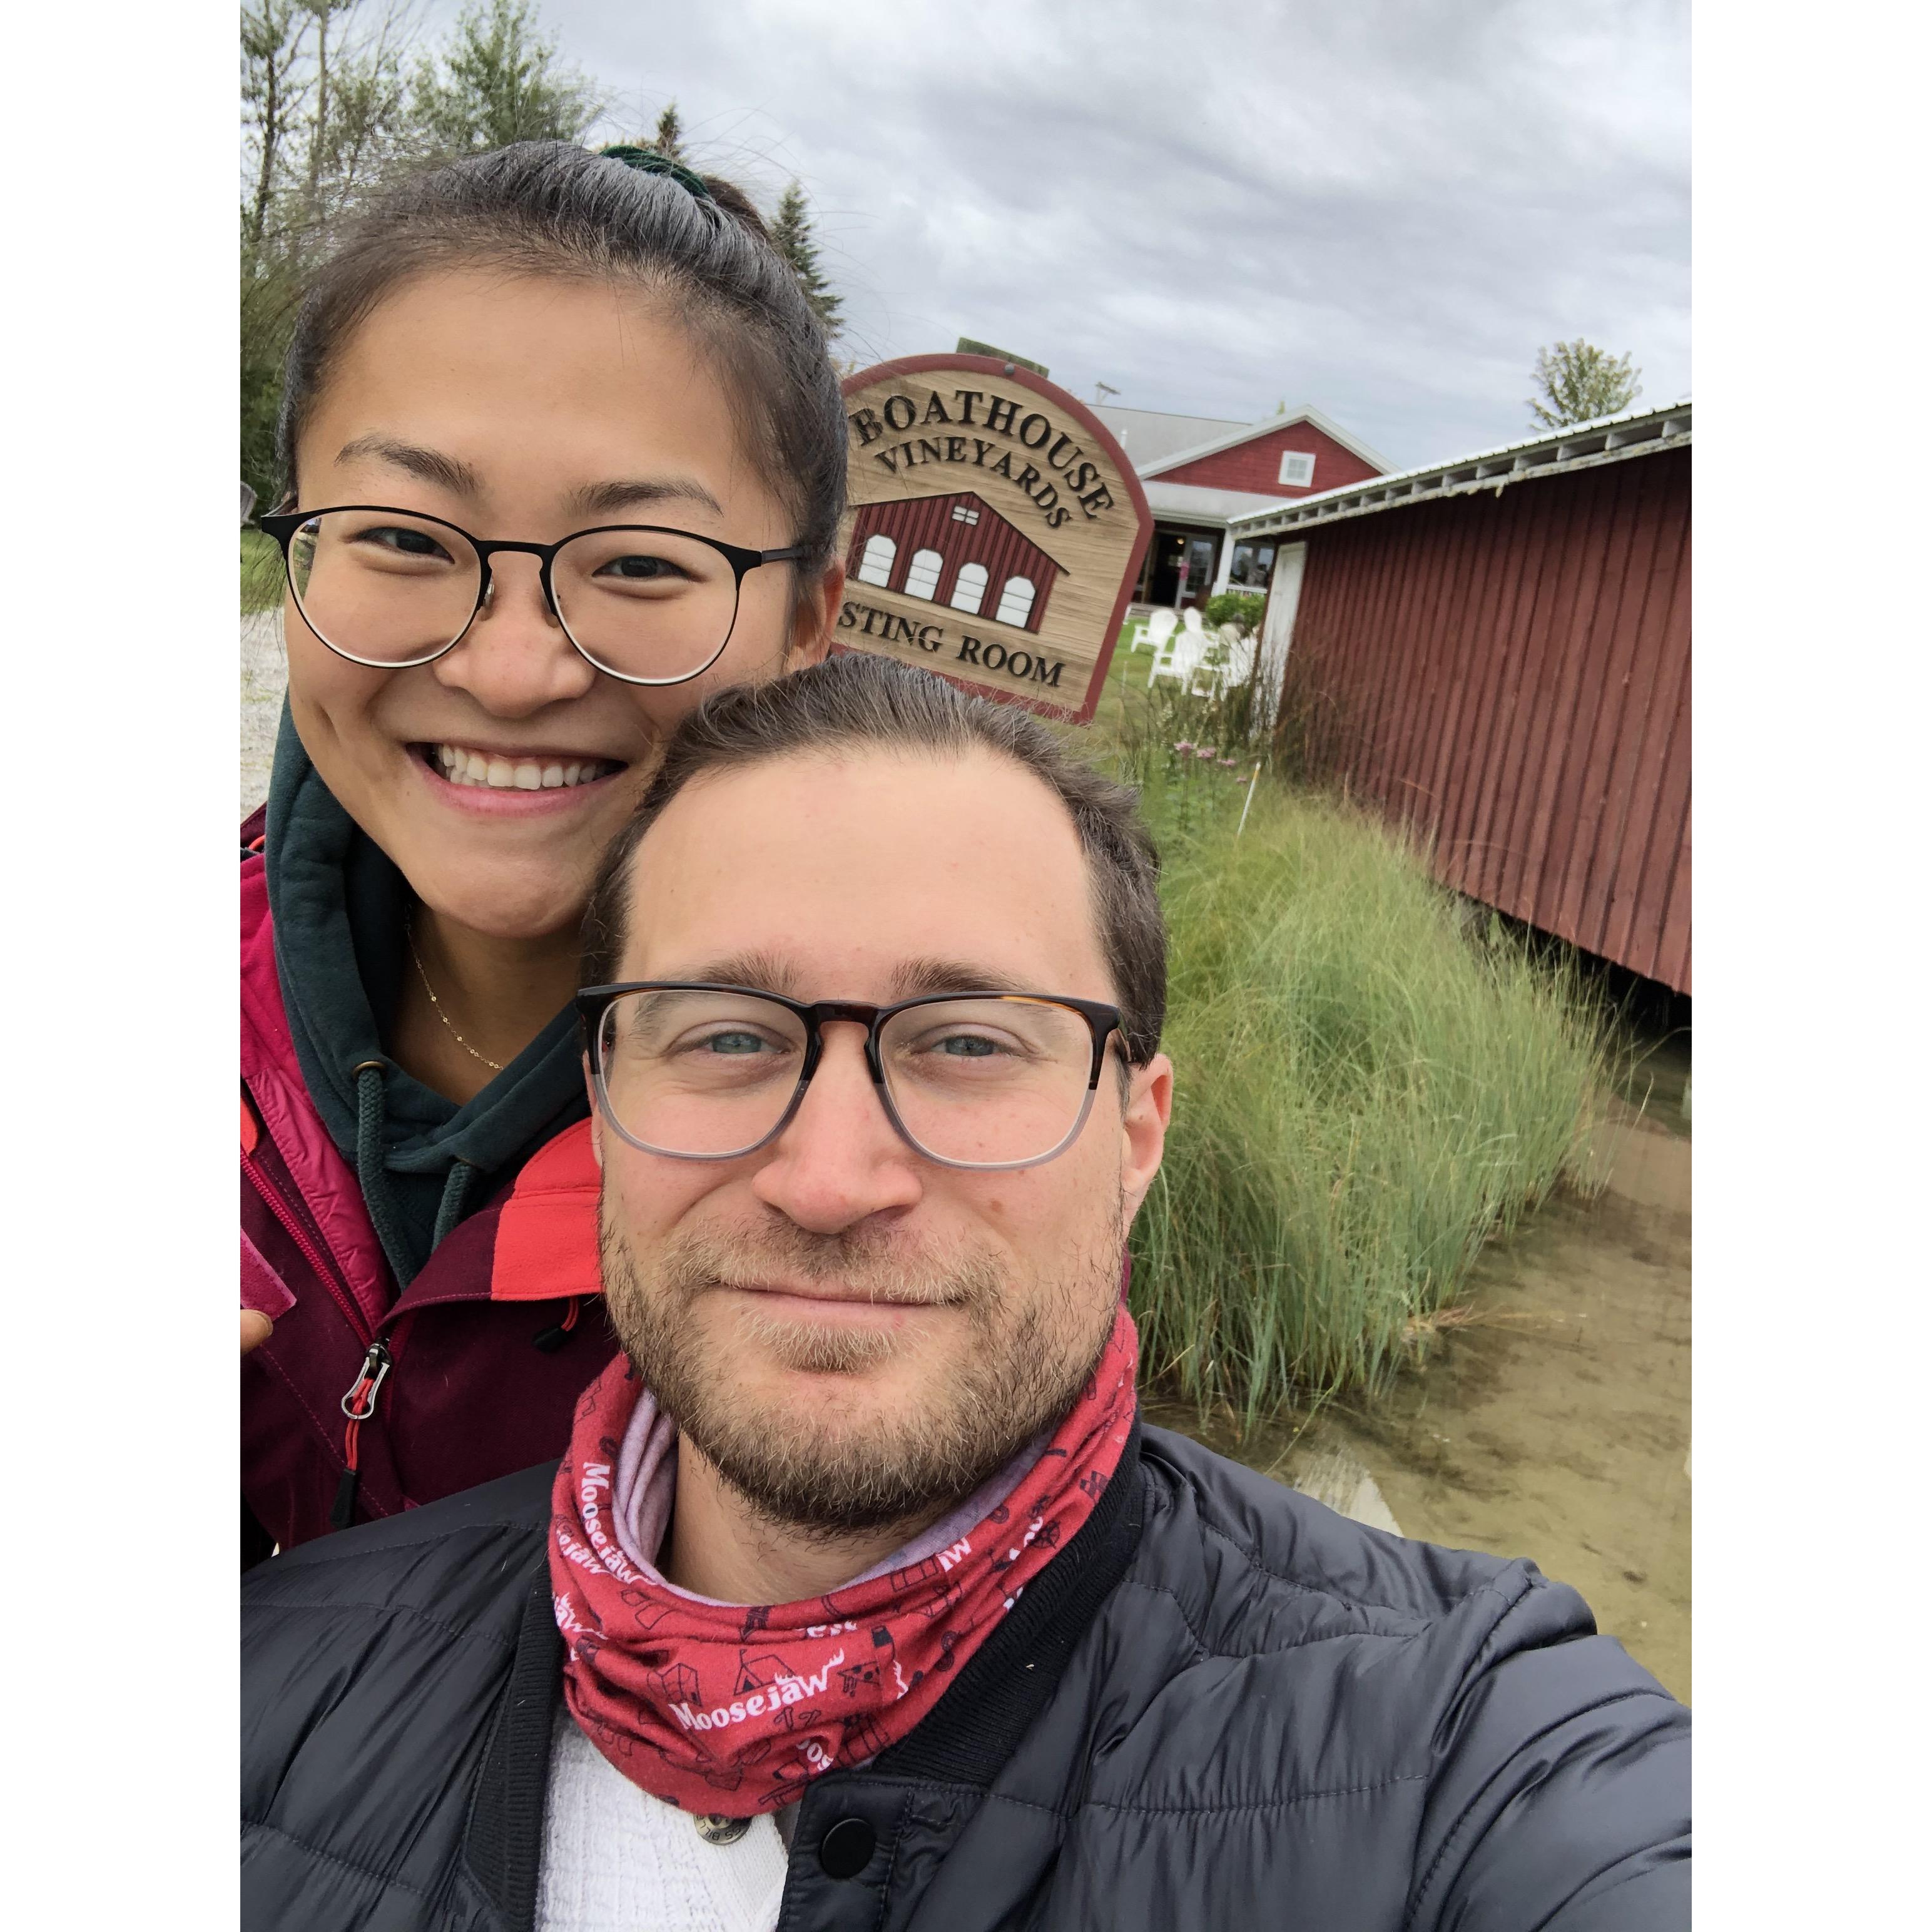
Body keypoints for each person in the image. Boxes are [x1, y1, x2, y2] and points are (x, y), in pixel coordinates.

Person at [242, 653, 1690, 1931]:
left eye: (970, 1043)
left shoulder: (1451, 1743)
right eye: (727, 1035)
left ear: (1135, 1134)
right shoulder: (268, 1679)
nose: (827, 1177)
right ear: (606, 1106)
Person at [240, 140, 847, 1557]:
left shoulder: (910, 1145)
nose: (510, 672)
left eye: (638, 562)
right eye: (400, 535)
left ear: (808, 618)